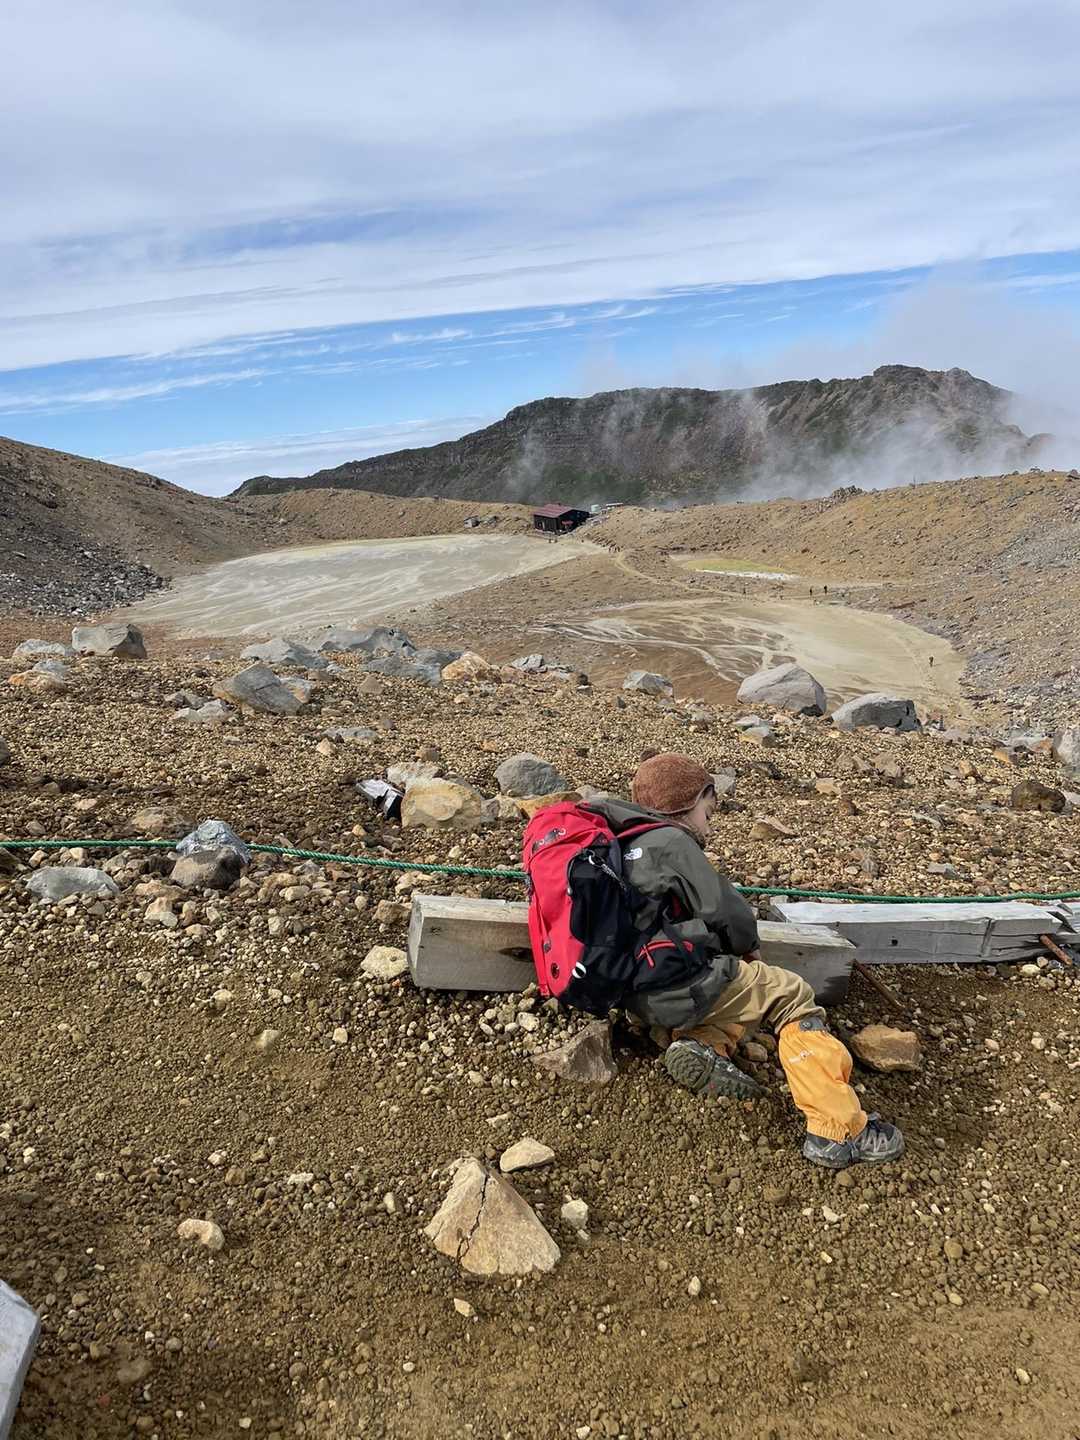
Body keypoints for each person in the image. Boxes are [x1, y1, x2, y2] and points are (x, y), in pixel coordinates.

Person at [588, 754, 904, 1169]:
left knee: (738, 989)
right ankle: (837, 1130)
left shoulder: (622, 842)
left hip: (633, 992)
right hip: (672, 986)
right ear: (687, 804)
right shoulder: (671, 842)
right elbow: (727, 912)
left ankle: (703, 1043)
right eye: (707, 812)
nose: (709, 824)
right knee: (789, 993)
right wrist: (750, 948)